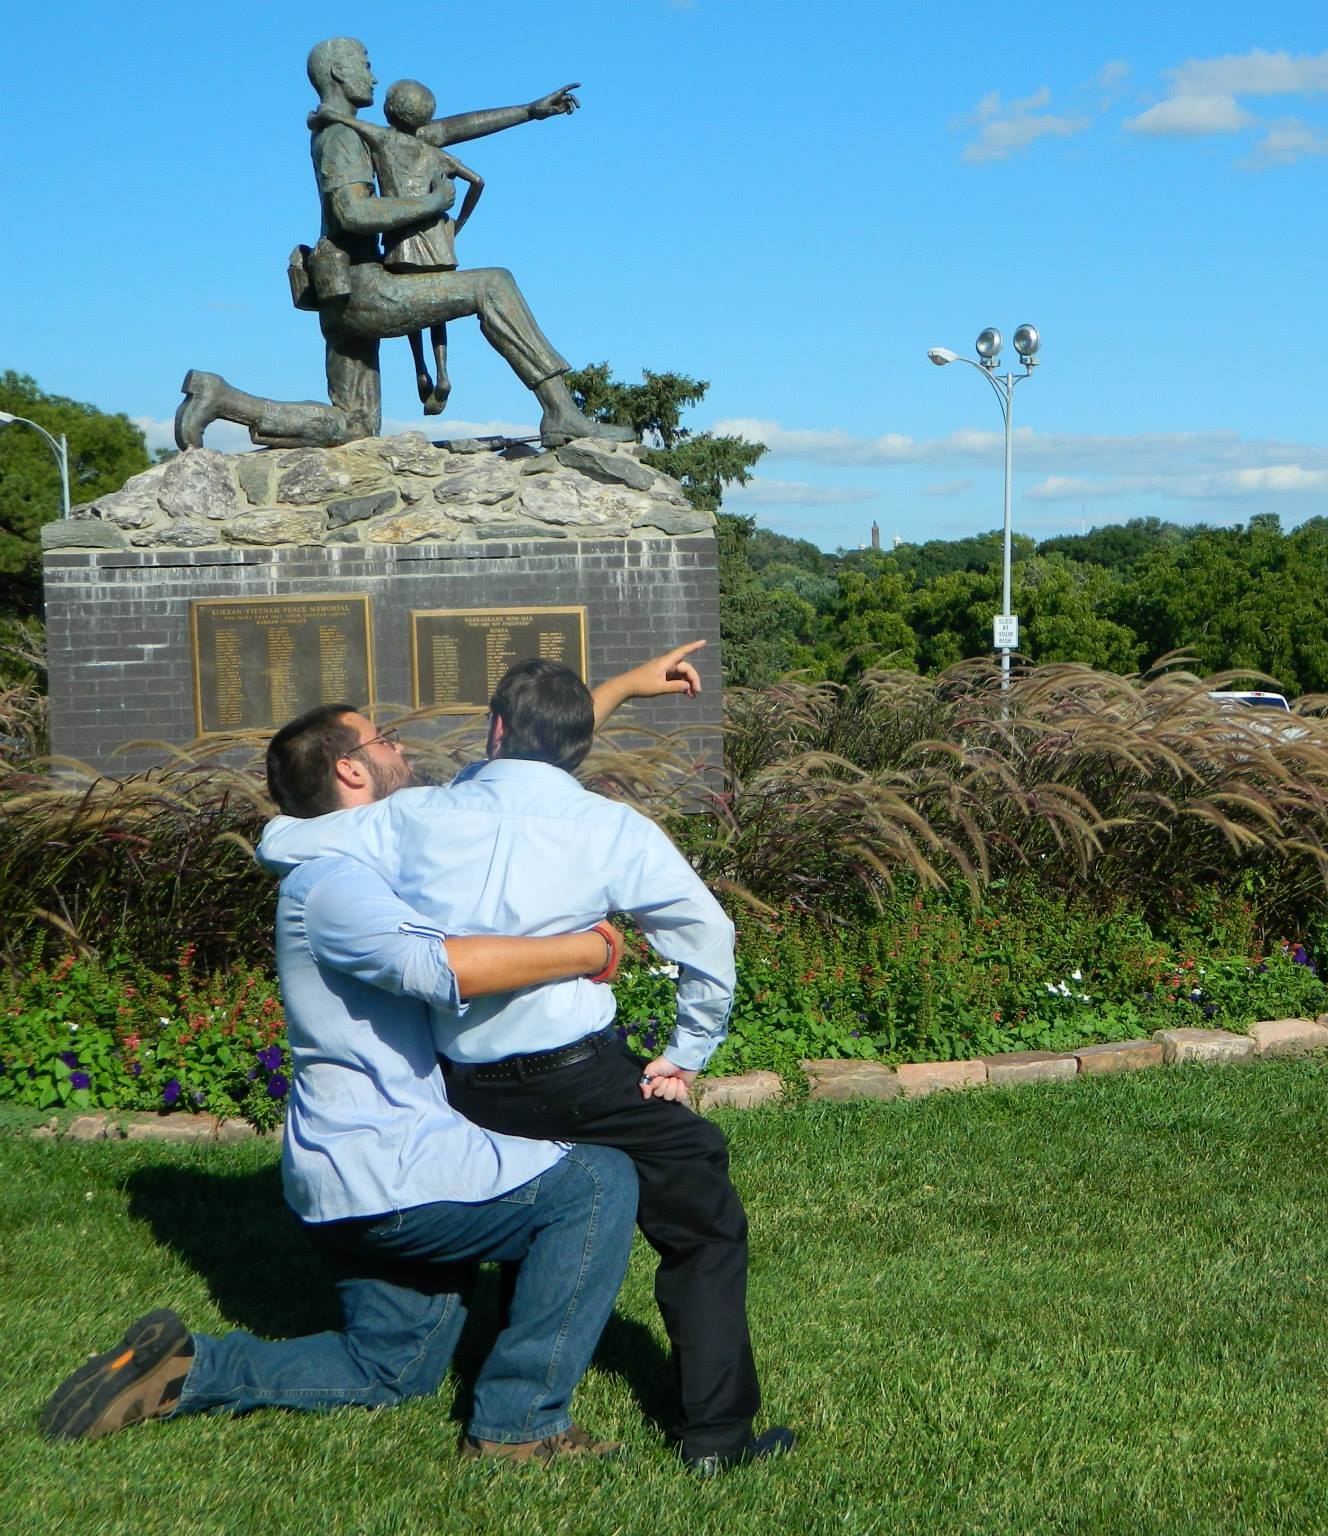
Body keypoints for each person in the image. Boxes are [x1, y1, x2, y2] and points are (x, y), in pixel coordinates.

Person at [43, 706, 640, 1462]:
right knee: (595, 1185)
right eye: (385, 738)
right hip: (389, 1171)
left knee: (392, 1367)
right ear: (350, 769)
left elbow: (515, 772)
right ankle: (520, 1425)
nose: (402, 748)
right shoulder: (333, 885)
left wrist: (621, 691)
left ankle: (186, 1368)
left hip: (359, 1173)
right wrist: (590, 950)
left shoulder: (352, 864)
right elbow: (437, 967)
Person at [255, 655, 792, 1476]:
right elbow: (708, 936)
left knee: (541, 1186)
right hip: (579, 1077)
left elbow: (285, 837)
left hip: (464, 1087)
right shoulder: (614, 829)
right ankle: (716, 1437)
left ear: (496, 730)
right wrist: (685, 1054)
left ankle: (514, 1353)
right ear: (580, 745)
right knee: (700, 1208)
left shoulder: (416, 815)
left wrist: (618, 688)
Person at [175, 37, 631, 450]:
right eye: (365, 65)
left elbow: (444, 132)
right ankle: (560, 410)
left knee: (353, 426)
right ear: (338, 72)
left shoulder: (350, 131)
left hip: (343, 293)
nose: (373, 77)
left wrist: (529, 111)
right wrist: (433, 203)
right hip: (363, 287)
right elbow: (352, 213)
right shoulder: (340, 137)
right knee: (493, 284)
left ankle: (222, 398)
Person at [315, 78, 488, 414]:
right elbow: (478, 181)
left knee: (416, 311)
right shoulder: (437, 154)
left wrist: (328, 115)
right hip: (439, 241)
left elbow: (355, 124)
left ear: (390, 110)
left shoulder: (384, 141)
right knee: (438, 311)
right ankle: (442, 373)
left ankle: (420, 369)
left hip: (403, 243)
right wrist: (458, 223)